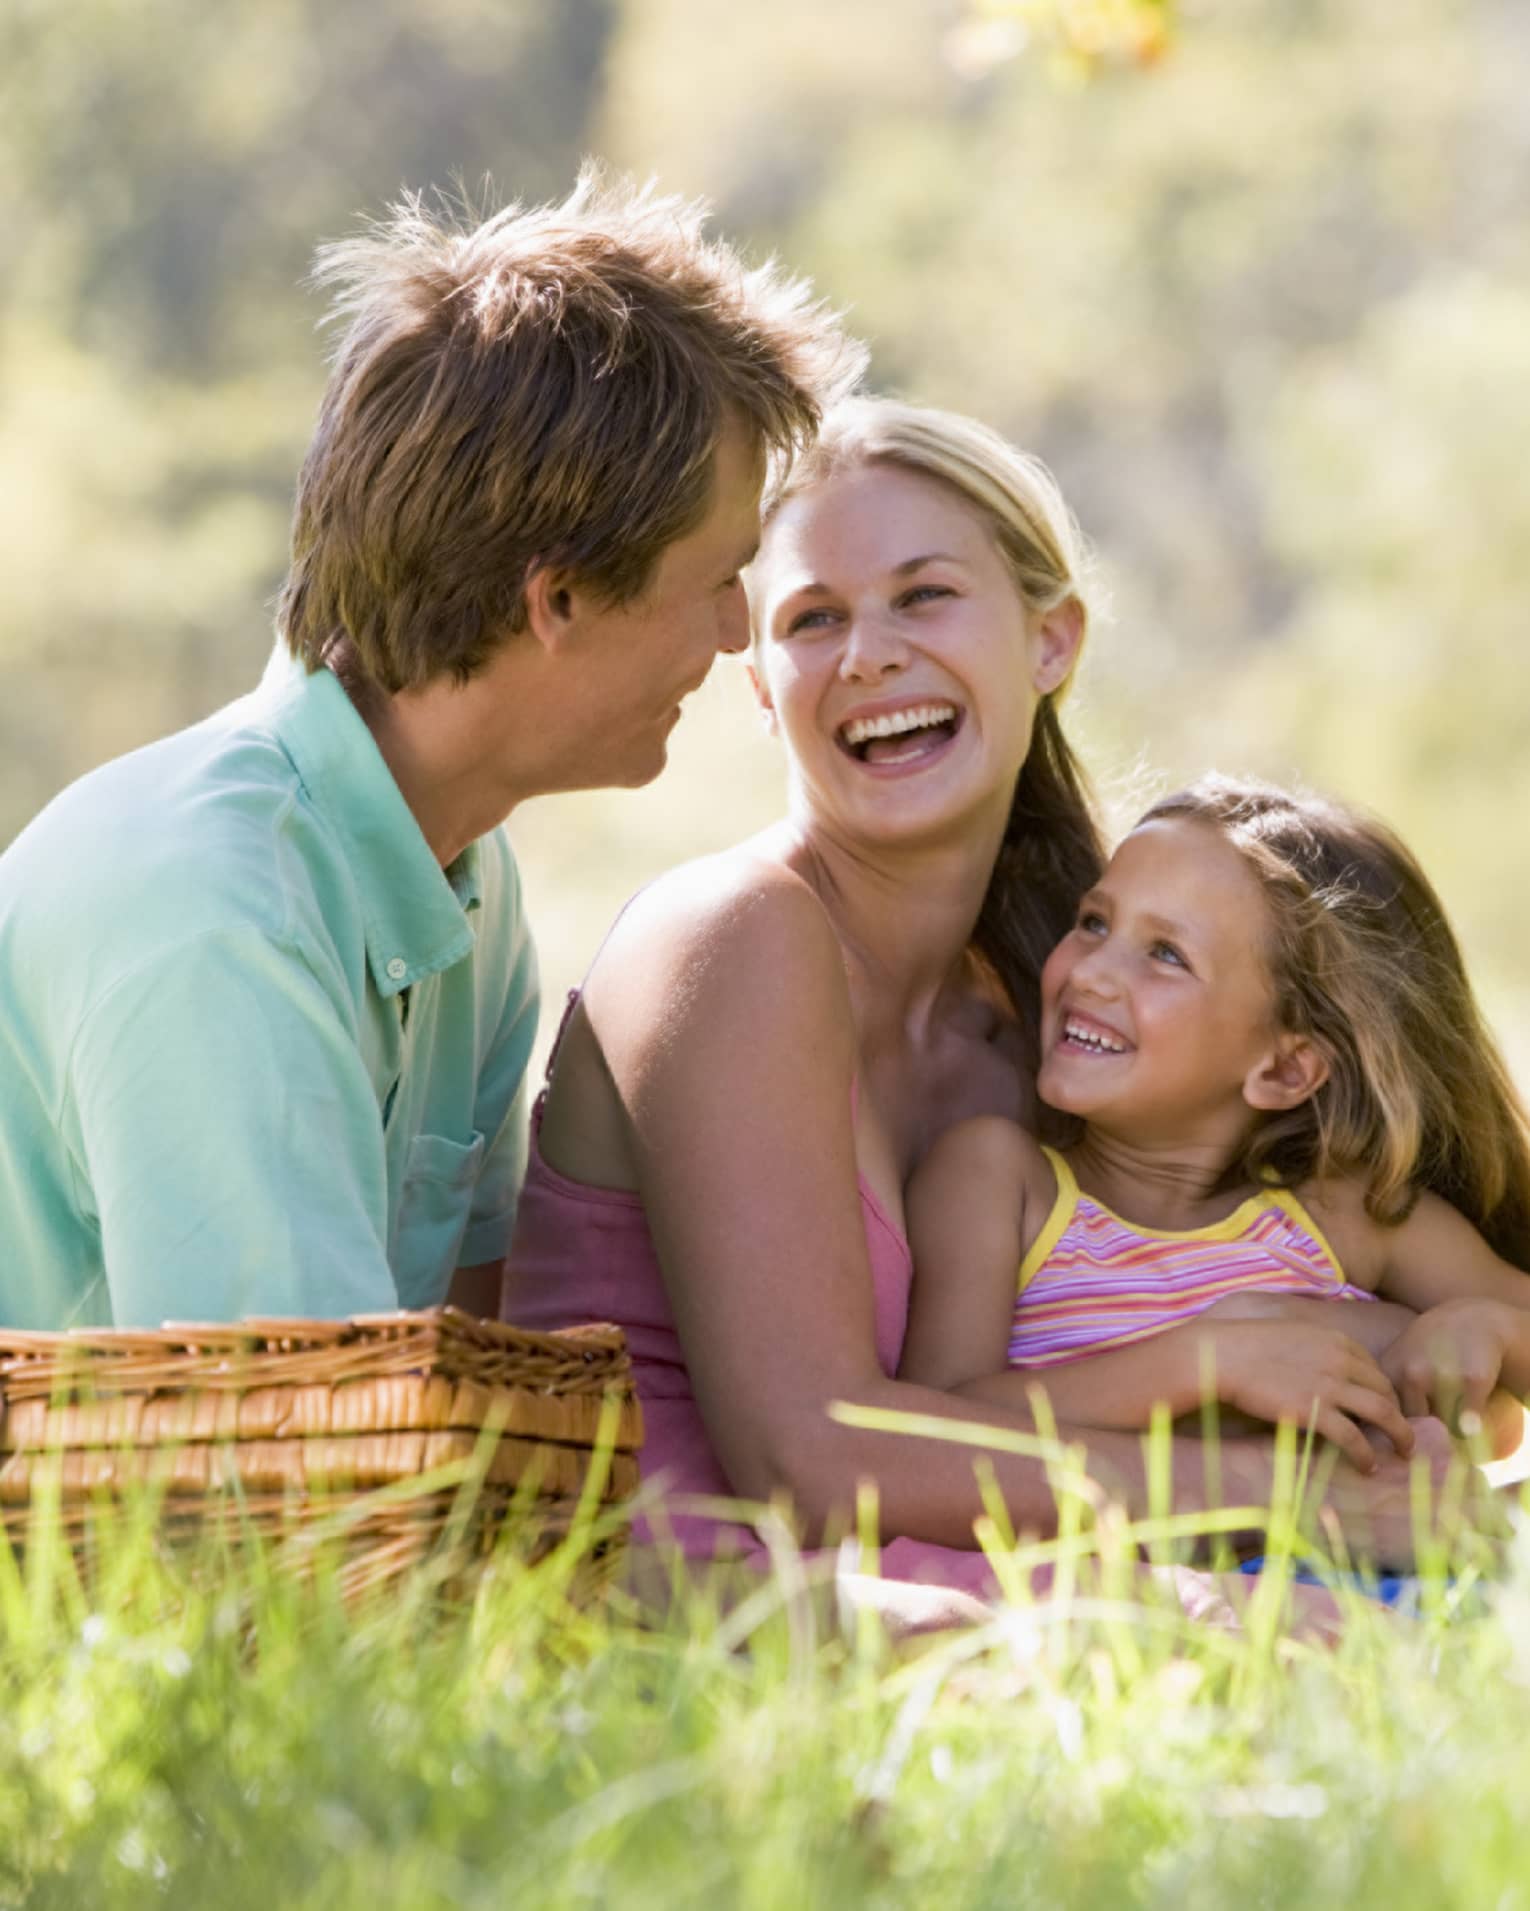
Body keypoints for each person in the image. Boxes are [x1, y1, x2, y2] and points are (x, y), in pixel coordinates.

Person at [504, 400, 1457, 1602]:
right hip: (694, 1597)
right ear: (761, 687)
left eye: (923, 595)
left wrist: (1395, 1404)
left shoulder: (1058, 1005)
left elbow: (1274, 1265)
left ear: (1051, 641)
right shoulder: (735, 935)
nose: (869, 654)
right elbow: (811, 1455)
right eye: (813, 620)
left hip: (955, 1577)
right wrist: (1283, 1497)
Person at [0, 169, 861, 1330]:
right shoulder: (215, 915)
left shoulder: (469, 879)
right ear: (558, 599)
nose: (729, 636)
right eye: (716, 581)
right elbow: (275, 1466)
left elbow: (454, 1374)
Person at [901, 776, 1530, 1471]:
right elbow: (929, 1425)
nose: (1092, 973)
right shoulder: (1000, 1181)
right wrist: (1207, 1362)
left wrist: (1490, 1327)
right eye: (1094, 923)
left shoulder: (1346, 1213)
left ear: (1285, 1069)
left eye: (1166, 955)